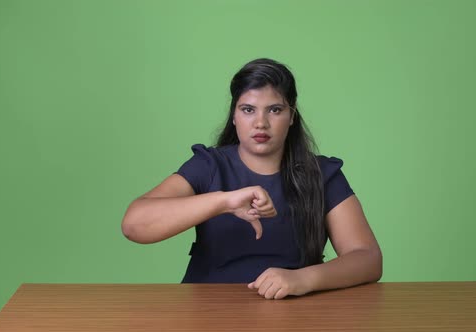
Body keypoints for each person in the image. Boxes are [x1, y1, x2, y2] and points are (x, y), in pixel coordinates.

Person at [121, 58, 382, 300]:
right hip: (206, 312)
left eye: (275, 110)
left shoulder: (322, 174)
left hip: (294, 314)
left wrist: (303, 279)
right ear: (233, 116)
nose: (261, 122)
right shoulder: (209, 165)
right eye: (248, 109)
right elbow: (134, 225)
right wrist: (224, 201)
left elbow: (368, 258)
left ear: (291, 116)